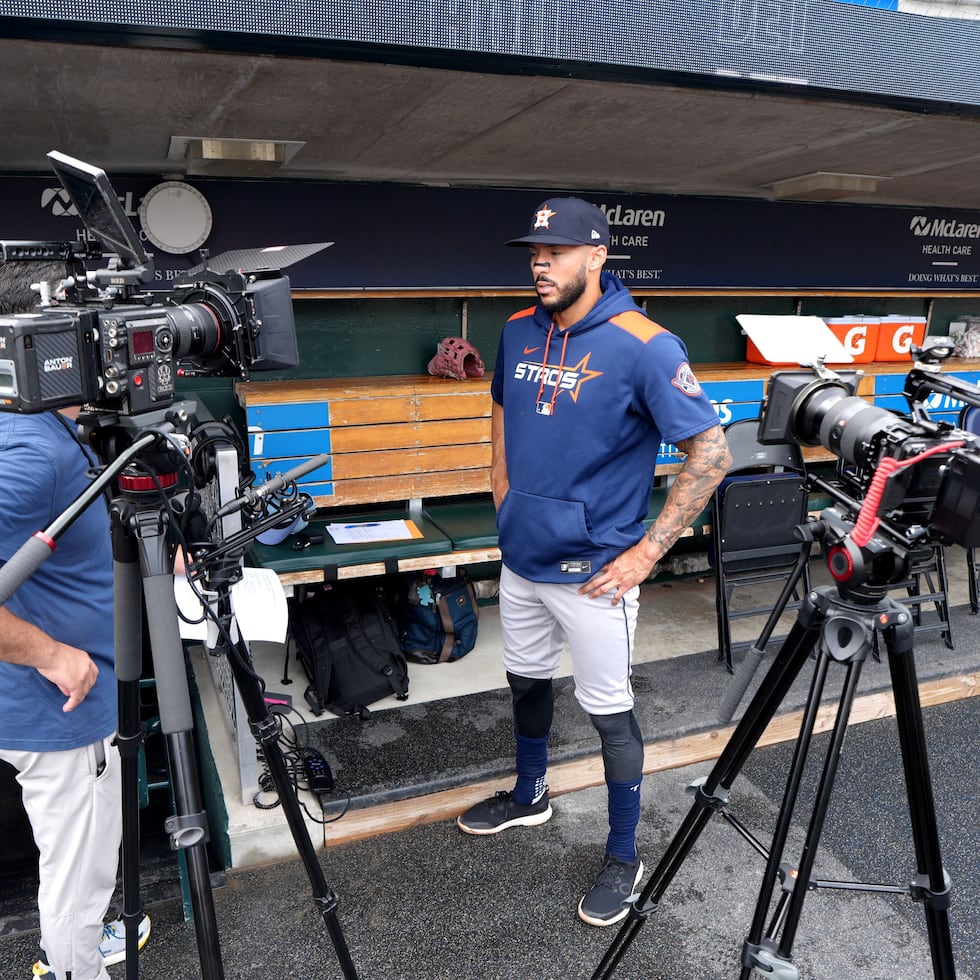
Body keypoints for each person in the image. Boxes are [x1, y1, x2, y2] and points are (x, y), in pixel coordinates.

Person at [457, 198, 732, 926]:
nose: (539, 263)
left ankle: (622, 852)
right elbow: (500, 409)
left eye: (555, 252)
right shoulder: (518, 330)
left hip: (595, 574)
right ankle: (529, 795)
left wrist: (646, 554)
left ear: (598, 256)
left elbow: (712, 452)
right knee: (525, 683)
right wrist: (502, 492)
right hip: (522, 559)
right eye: (533, 253)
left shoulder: (645, 345)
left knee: (609, 715)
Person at [0, 262, 150, 980]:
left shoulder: (36, 423)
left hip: (65, 702)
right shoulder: (31, 452)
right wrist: (49, 653)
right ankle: (74, 965)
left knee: (85, 856)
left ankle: (83, 944)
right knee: (78, 875)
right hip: (62, 708)